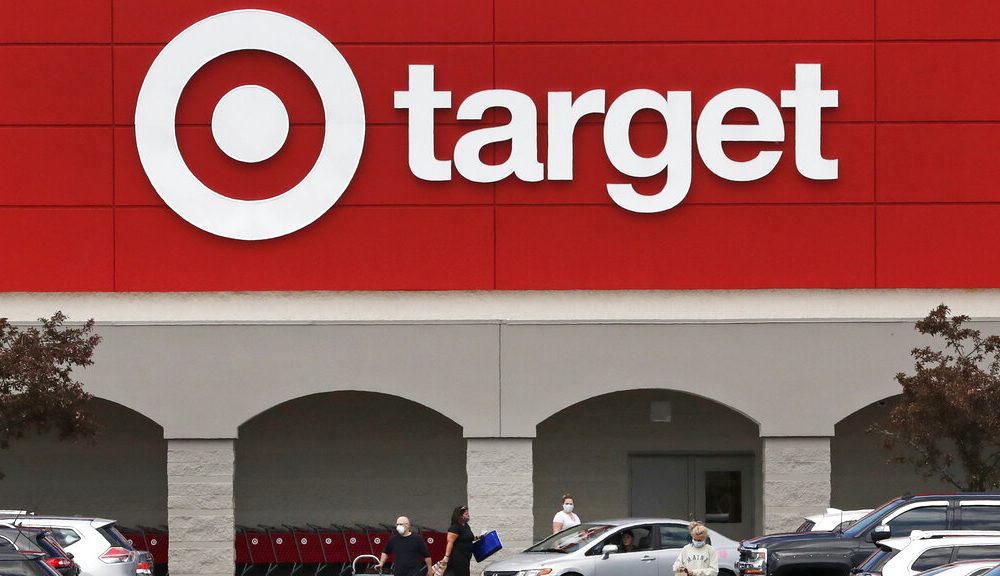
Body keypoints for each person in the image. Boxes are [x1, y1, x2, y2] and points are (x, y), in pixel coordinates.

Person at [438, 505, 474, 576]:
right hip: (457, 558)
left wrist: (479, 537)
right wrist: (446, 557)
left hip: (466, 557)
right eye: (466, 514)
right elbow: (450, 542)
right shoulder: (455, 528)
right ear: (460, 516)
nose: (468, 515)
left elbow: (468, 538)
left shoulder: (466, 526)